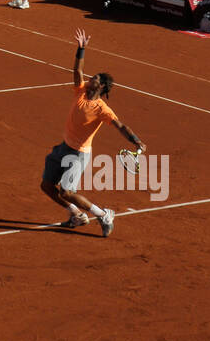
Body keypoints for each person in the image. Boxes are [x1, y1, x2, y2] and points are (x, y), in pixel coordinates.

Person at [40, 28, 146, 236]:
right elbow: (77, 71)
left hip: (78, 153)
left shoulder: (102, 109)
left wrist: (137, 142)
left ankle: (103, 214)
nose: (90, 78)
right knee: (46, 185)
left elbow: (121, 126)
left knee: (67, 191)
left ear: (102, 86)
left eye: (95, 78)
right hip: (63, 147)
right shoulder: (80, 91)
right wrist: (81, 49)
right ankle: (77, 215)